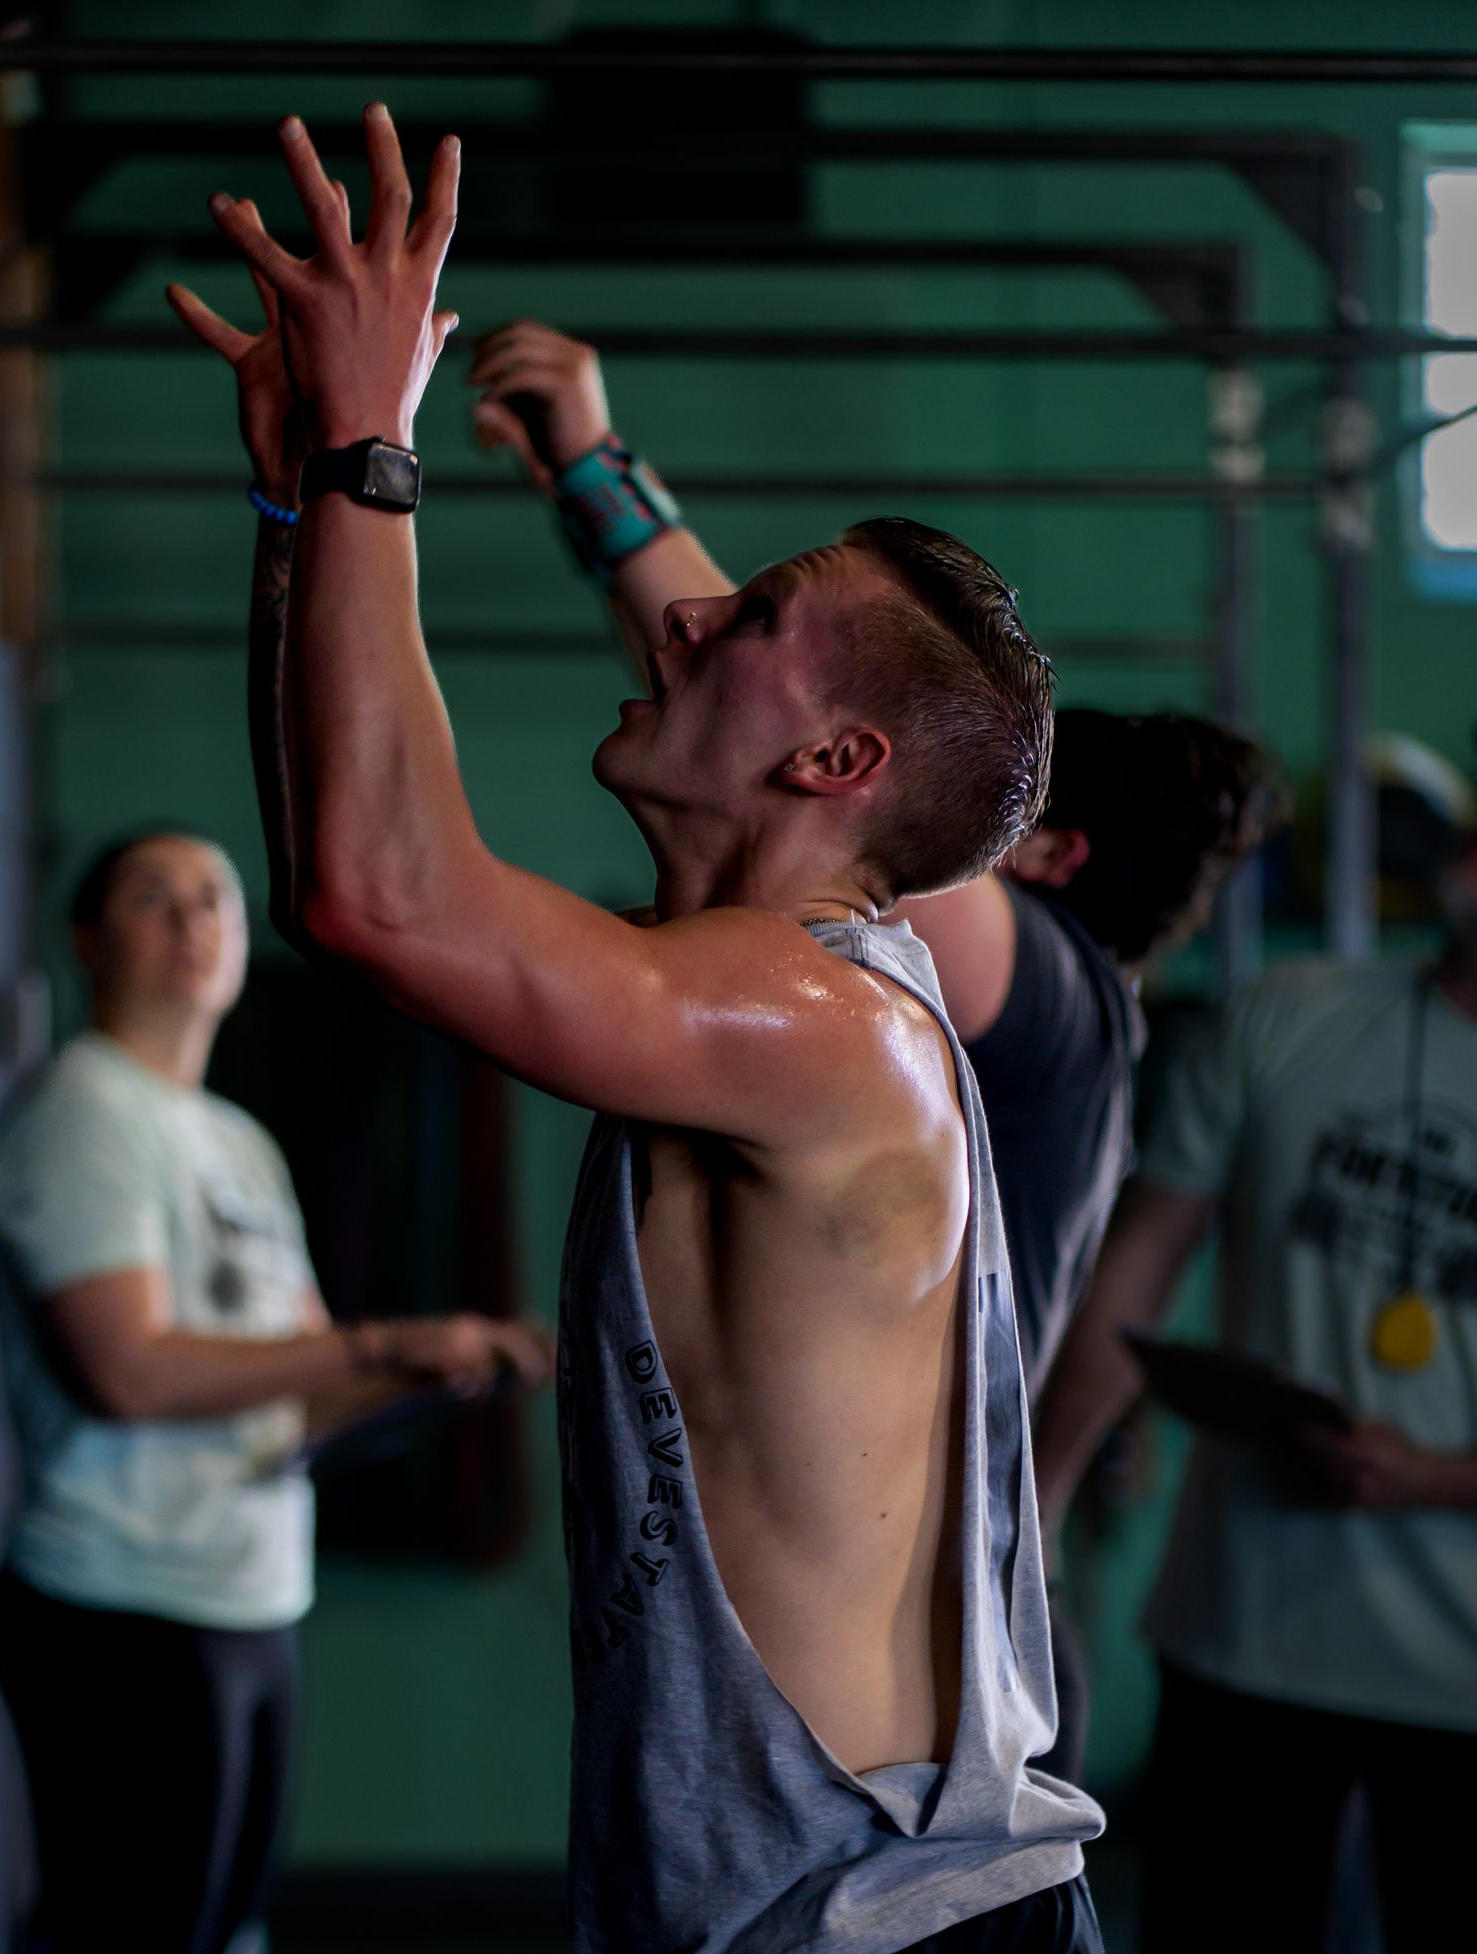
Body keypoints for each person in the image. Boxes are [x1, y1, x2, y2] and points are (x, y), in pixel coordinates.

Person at [171, 104, 1103, 1953]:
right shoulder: (759, 996)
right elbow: (344, 890)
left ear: (837, 764)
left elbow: (385, 893)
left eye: (744, 617)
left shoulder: (829, 1021)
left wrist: (374, 449)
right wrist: (298, 505)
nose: (677, 628)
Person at [467, 323, 1287, 1778]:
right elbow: (763, 722)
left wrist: (598, 468)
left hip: (926, 1750)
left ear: (1044, 854)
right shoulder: (1035, 1046)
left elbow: (803, 724)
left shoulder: (1053, 1003)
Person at [0, 828, 551, 1954]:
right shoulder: (86, 1110)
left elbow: (290, 1405)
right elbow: (131, 1373)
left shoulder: (235, 1141)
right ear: (89, 940)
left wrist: (435, 1372)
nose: (193, 920)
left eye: (215, 899)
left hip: (248, 1602)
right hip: (121, 1607)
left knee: (224, 1933)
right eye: (155, 897)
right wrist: (384, 1335)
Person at [1030, 819, 1477, 1954]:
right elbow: (1130, 1284)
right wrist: (1023, 1526)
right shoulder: (1285, 1016)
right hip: (1248, 1639)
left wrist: (1430, 1475)